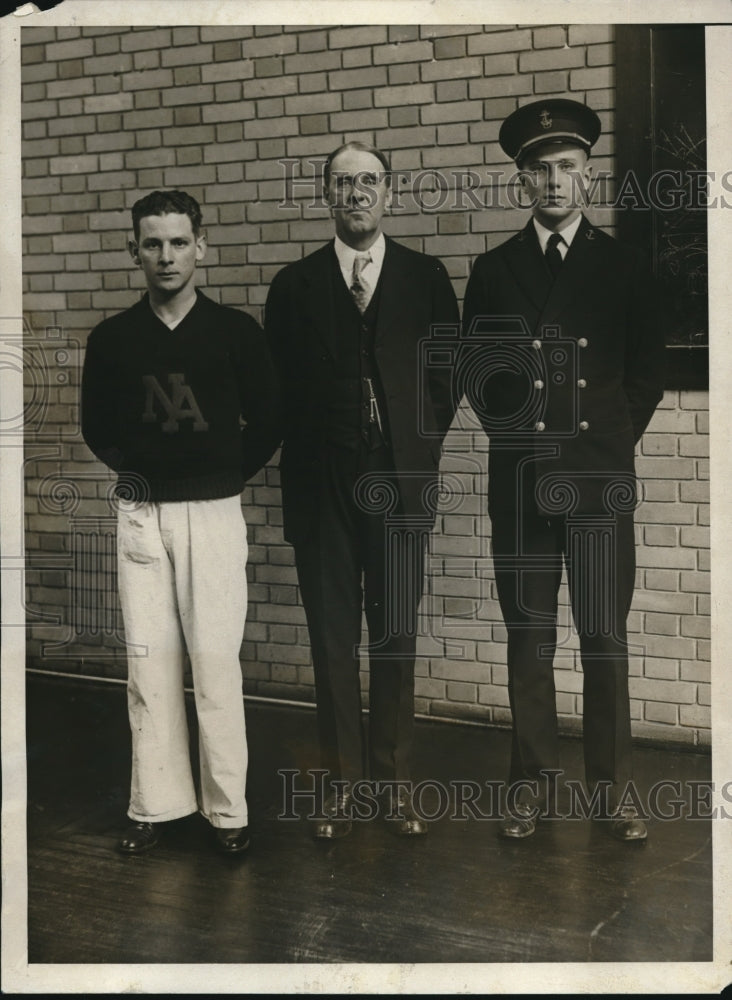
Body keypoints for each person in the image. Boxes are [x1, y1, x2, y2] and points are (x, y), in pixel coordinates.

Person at [459, 100, 666, 842]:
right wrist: (528, 445)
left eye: (568, 167)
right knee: (530, 639)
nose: (555, 180)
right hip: (521, 487)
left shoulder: (622, 267)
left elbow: (645, 377)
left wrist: (602, 446)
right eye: (540, 169)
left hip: (599, 485)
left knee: (604, 638)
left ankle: (611, 791)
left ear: (587, 176)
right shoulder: (493, 270)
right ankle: (533, 787)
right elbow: (479, 379)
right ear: (522, 180)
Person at [265, 142, 459, 839]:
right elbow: (276, 389)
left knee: (396, 634)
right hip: (322, 485)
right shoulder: (294, 286)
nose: (357, 195)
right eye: (343, 184)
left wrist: (417, 446)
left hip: (398, 481)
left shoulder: (426, 277)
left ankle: (395, 783)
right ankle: (343, 787)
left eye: (369, 183)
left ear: (390, 194)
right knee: (331, 638)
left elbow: (448, 375)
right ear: (327, 195)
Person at [81, 189, 281, 855]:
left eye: (177, 242)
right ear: (133, 250)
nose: (165, 256)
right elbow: (96, 427)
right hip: (141, 513)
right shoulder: (111, 339)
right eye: (152, 243)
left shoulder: (236, 333)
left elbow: (270, 421)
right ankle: (157, 804)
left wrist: (224, 477)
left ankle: (228, 812)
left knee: (215, 662)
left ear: (202, 247)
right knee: (149, 661)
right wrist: (140, 478)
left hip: (213, 511)